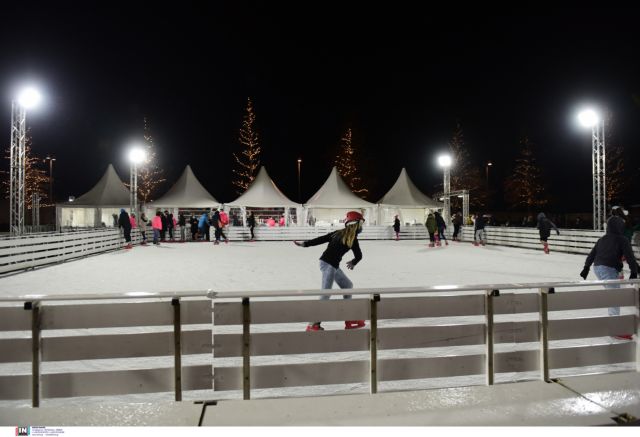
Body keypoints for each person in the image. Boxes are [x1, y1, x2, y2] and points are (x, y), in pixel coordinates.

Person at [293, 211, 366, 332]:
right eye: (361, 223)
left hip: (332, 265)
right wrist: (353, 262)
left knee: (348, 285)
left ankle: (349, 319)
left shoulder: (346, 236)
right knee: (326, 294)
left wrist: (305, 244)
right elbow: (359, 256)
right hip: (328, 265)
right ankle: (313, 324)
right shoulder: (346, 237)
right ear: (355, 224)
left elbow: (321, 239)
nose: (362, 227)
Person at [580, 216, 638, 340]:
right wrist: (634, 271)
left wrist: (586, 268)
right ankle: (615, 329)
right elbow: (630, 256)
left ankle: (614, 325)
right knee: (614, 298)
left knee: (614, 294)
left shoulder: (602, 239)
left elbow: (592, 254)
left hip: (598, 268)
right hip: (608, 269)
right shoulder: (622, 239)